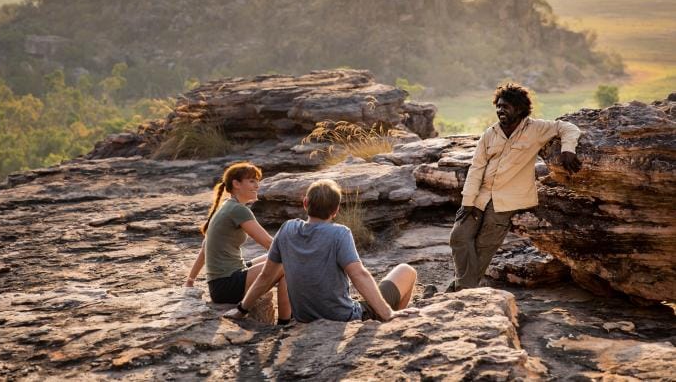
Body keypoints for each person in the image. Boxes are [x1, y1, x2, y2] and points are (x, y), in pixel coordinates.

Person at [448, 82, 582, 291]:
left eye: (506, 107)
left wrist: (568, 149)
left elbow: (567, 127)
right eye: (499, 106)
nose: (500, 110)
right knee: (459, 237)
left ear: (519, 109)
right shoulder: (489, 134)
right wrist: (467, 202)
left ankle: (460, 291)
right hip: (480, 196)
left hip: (507, 200)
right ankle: (462, 288)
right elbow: (476, 169)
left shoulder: (536, 129)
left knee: (484, 246)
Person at [225, 179, 417, 322]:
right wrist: (387, 312)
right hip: (343, 317)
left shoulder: (287, 229)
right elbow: (359, 274)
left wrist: (242, 309)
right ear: (336, 210)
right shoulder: (340, 233)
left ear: (305, 203)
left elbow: (266, 277)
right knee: (406, 271)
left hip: (305, 318)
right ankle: (390, 324)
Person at [185, 162, 291, 324]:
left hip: (220, 283)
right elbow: (270, 243)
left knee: (277, 257)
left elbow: (205, 247)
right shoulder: (238, 210)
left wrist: (190, 280)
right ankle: (285, 322)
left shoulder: (226, 207)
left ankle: (286, 317)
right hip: (227, 285)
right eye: (252, 181)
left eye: (257, 181)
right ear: (236, 184)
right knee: (284, 264)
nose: (257, 185)